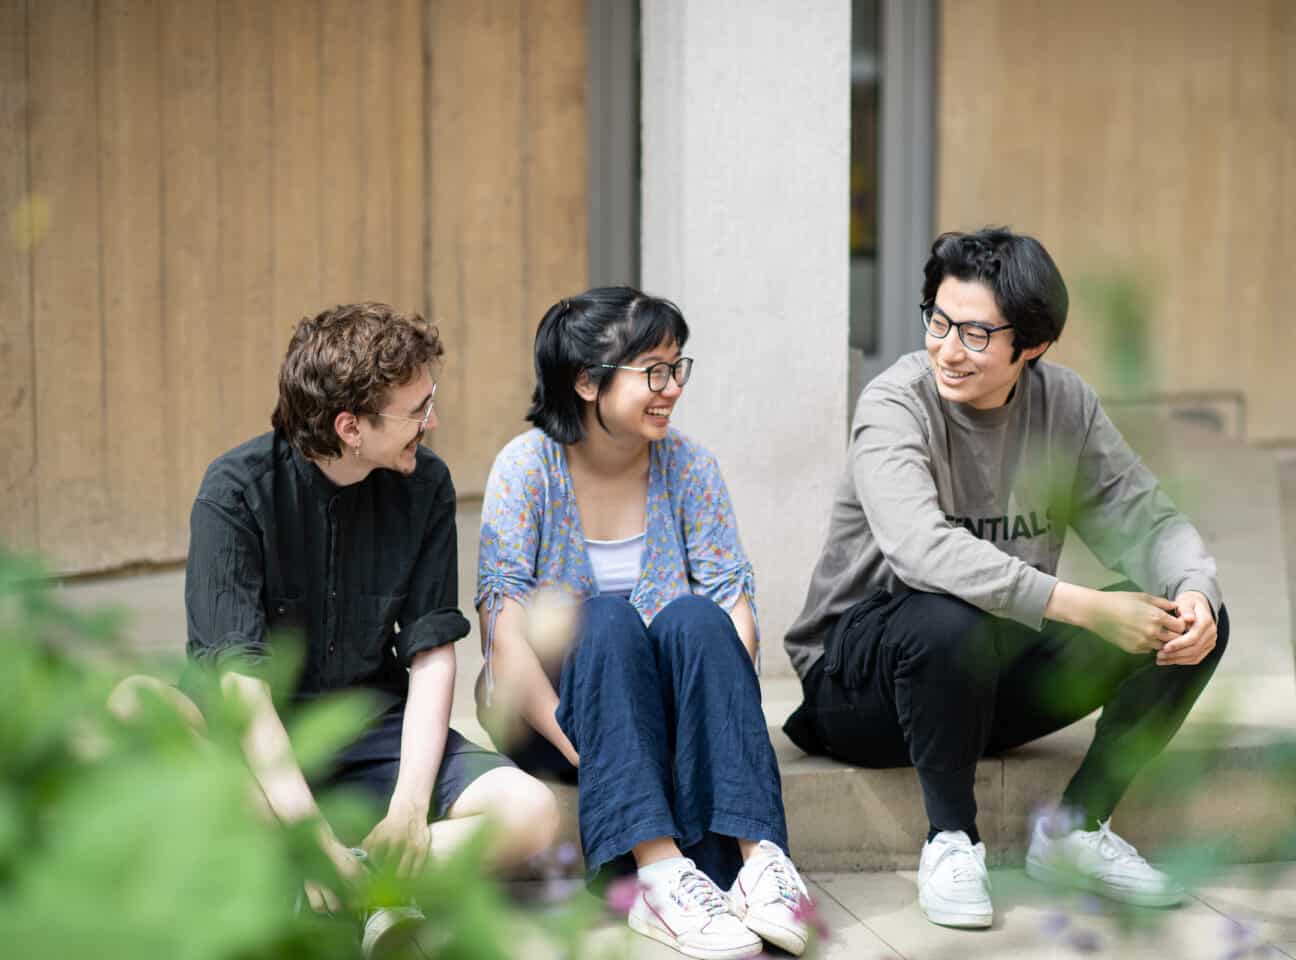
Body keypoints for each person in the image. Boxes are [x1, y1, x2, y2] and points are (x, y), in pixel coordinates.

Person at [781, 228, 1228, 929]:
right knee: (947, 613)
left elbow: (1146, 519)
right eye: (938, 321)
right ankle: (952, 839)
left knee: (1191, 615)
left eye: (976, 333)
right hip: (860, 688)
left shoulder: (1064, 405)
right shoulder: (895, 404)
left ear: (1033, 345)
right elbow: (920, 550)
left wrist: (1195, 589)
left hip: (983, 678)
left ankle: (1075, 831)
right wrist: (1076, 604)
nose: (948, 349)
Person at [111, 302, 558, 955]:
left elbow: (432, 654)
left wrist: (408, 807)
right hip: (253, 747)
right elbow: (241, 685)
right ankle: (335, 875)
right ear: (351, 426)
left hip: (370, 733)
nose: (431, 422)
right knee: (132, 705)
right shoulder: (234, 492)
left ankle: (320, 886)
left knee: (534, 815)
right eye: (417, 410)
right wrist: (309, 832)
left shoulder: (426, 484)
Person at [476, 287, 809, 959]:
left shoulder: (689, 467)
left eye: (678, 367)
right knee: (602, 618)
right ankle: (658, 875)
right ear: (588, 381)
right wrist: (603, 757)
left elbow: (734, 617)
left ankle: (762, 863)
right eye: (654, 371)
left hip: (665, 722)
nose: (673, 388)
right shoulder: (526, 469)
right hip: (552, 714)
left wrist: (694, 738)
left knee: (696, 615)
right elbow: (505, 640)